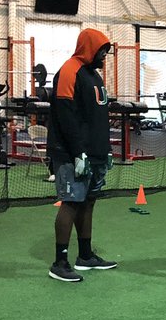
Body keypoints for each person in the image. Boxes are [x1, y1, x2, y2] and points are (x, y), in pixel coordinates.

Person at [47, 27, 117, 282]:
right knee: (72, 202)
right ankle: (60, 262)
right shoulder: (69, 70)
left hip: (94, 153)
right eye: (102, 51)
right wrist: (78, 153)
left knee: (88, 202)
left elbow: (97, 117)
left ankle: (85, 256)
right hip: (70, 153)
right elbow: (65, 115)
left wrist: (105, 150)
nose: (104, 56)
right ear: (89, 48)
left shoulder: (93, 75)